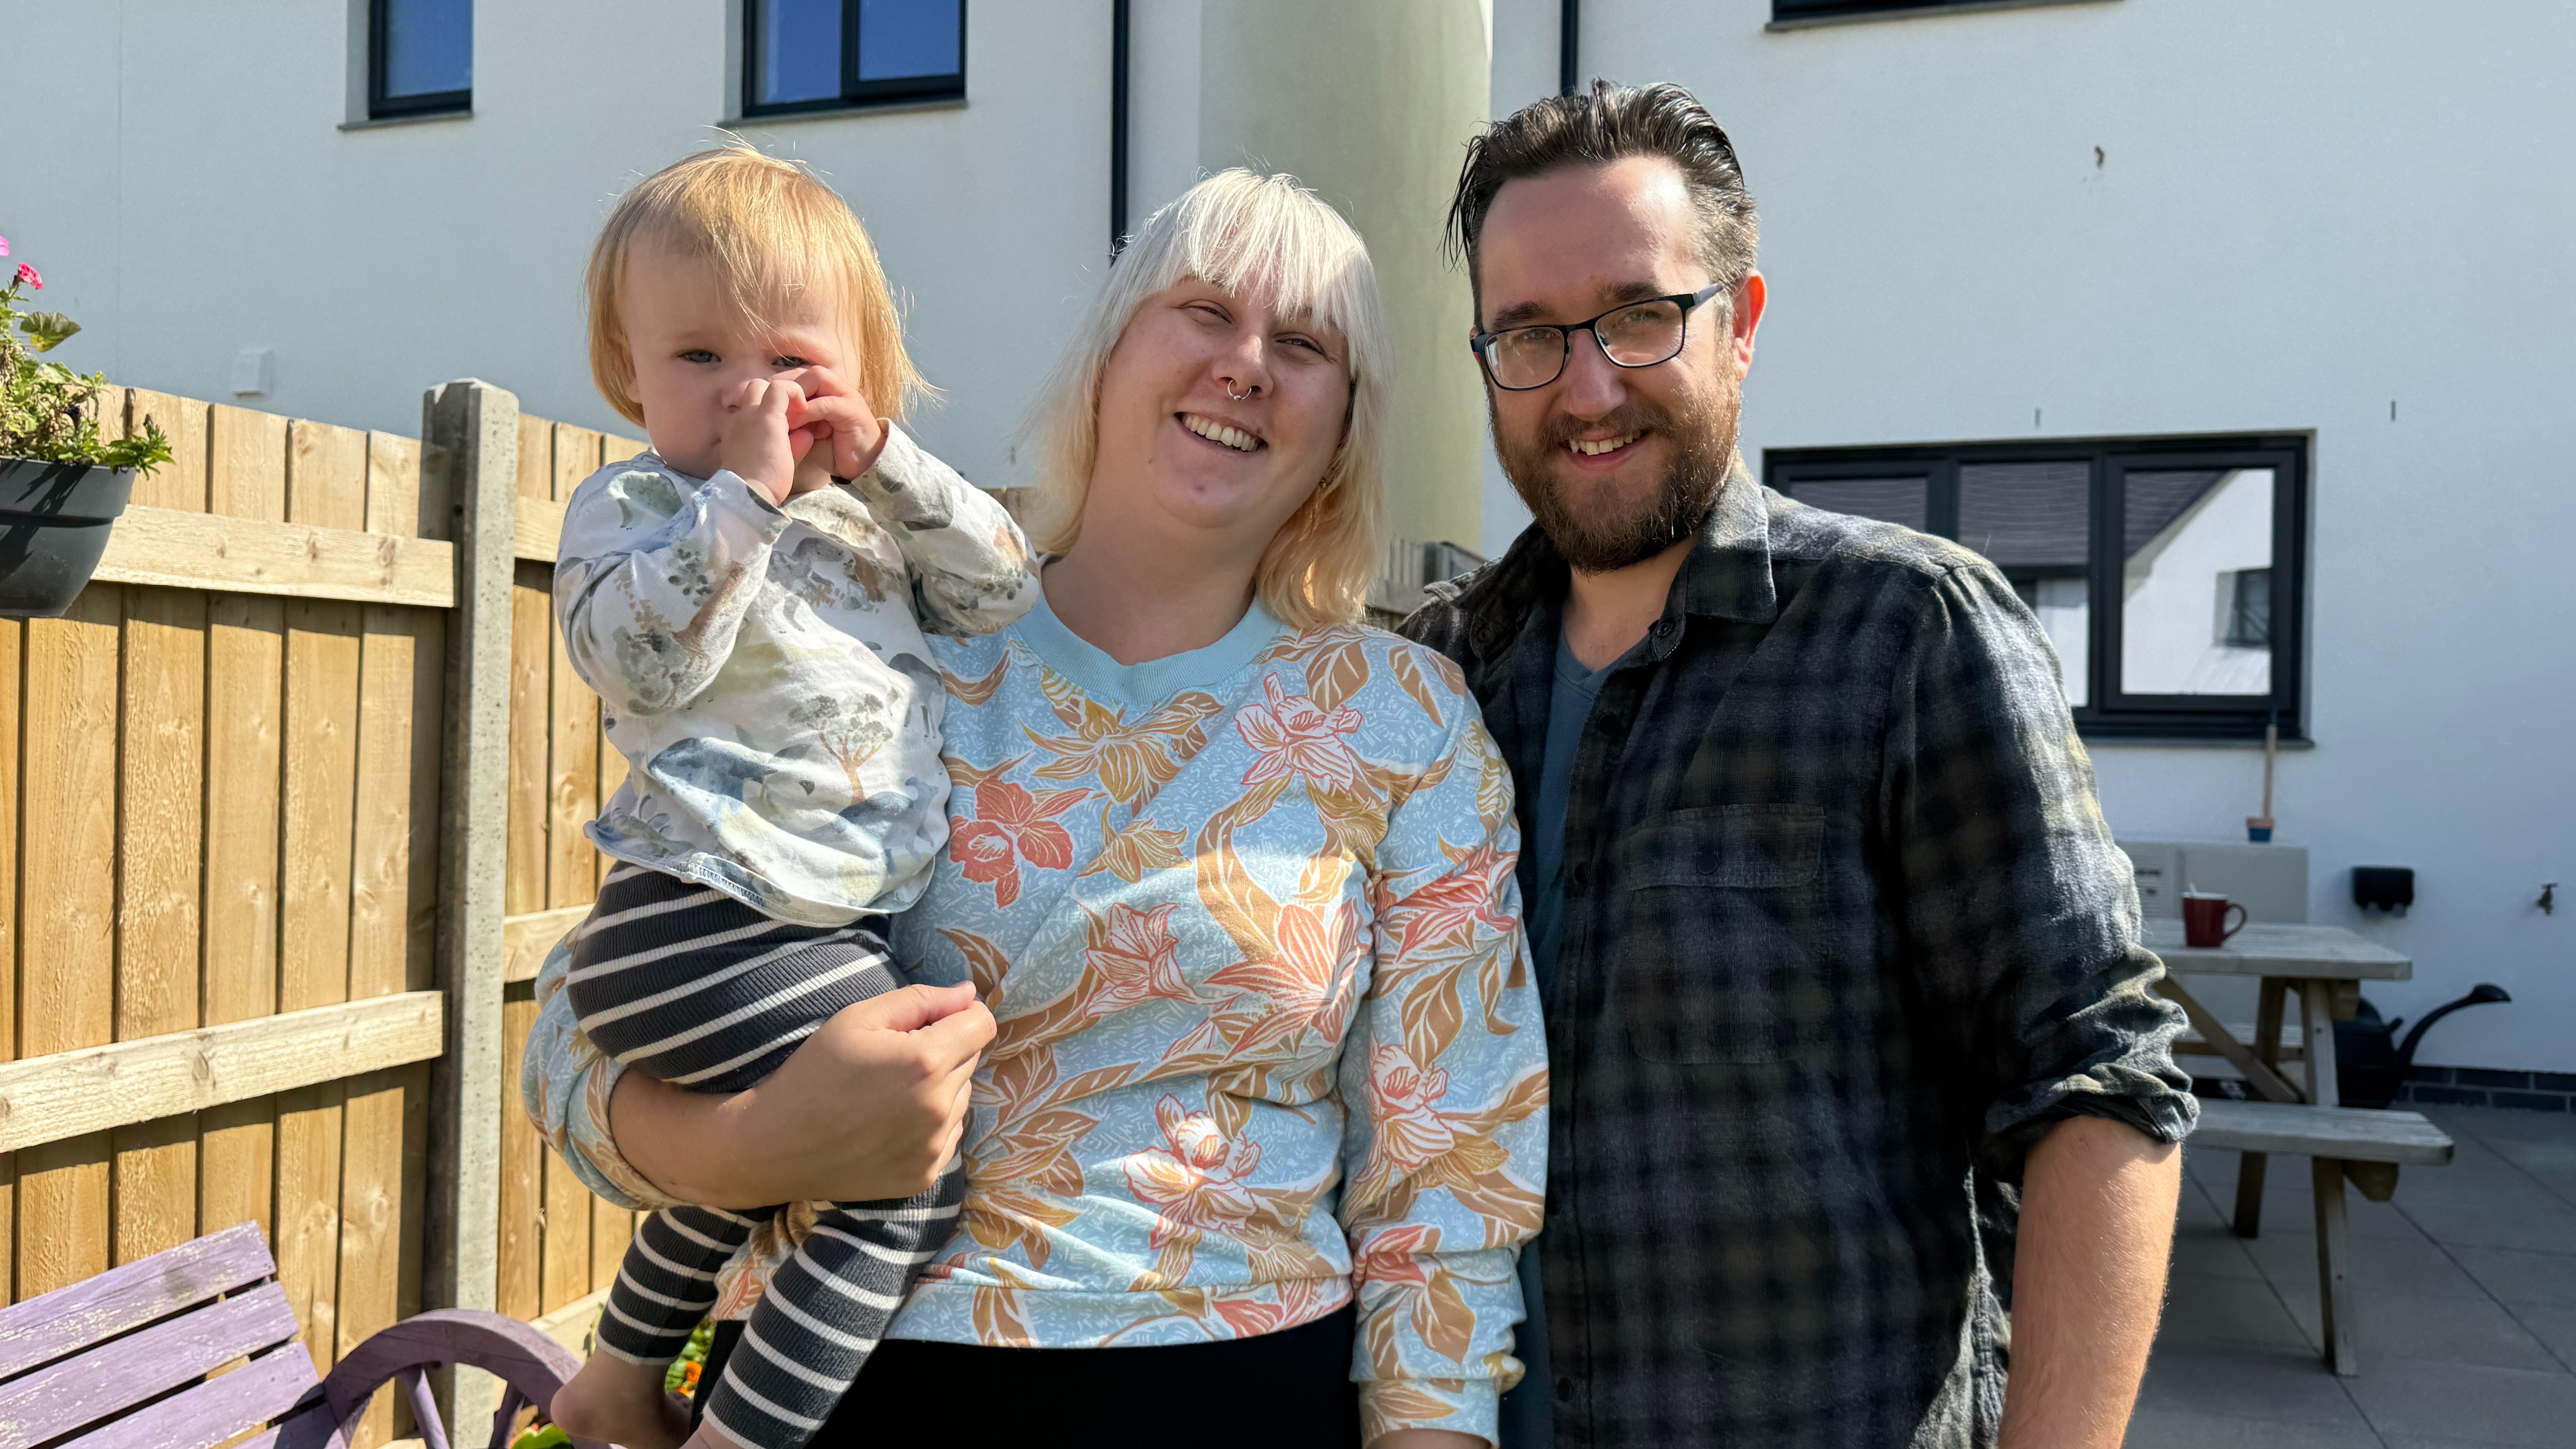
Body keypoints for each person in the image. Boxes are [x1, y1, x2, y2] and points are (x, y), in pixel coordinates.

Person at [524, 168, 1548, 1449]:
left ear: (1347, 423)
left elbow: (1449, 1167)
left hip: (1236, 1396)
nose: (1245, 366)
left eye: (1303, 345)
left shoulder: (1404, 718)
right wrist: (750, 1147)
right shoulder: (875, 621)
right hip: (830, 1389)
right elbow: (576, 1035)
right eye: (1205, 312)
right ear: (1106, 356)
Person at [1402, 83, 2196, 1449]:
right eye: (1530, 335)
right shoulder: (1432, 682)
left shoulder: (1908, 633)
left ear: (1744, 324)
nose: (1587, 387)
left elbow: (2097, 1077)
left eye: (1641, 315)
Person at [540, 147, 1040, 1449]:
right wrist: (744, 502)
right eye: (700, 357)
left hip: (807, 932)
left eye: (794, 363)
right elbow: (638, 657)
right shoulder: (641, 505)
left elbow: (1002, 589)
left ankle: (616, 1378)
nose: (750, 392)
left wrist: (885, 462)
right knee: (906, 1165)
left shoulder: (875, 524)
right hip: (700, 922)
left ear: (863, 375)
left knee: (796, 1157)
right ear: (629, 371)